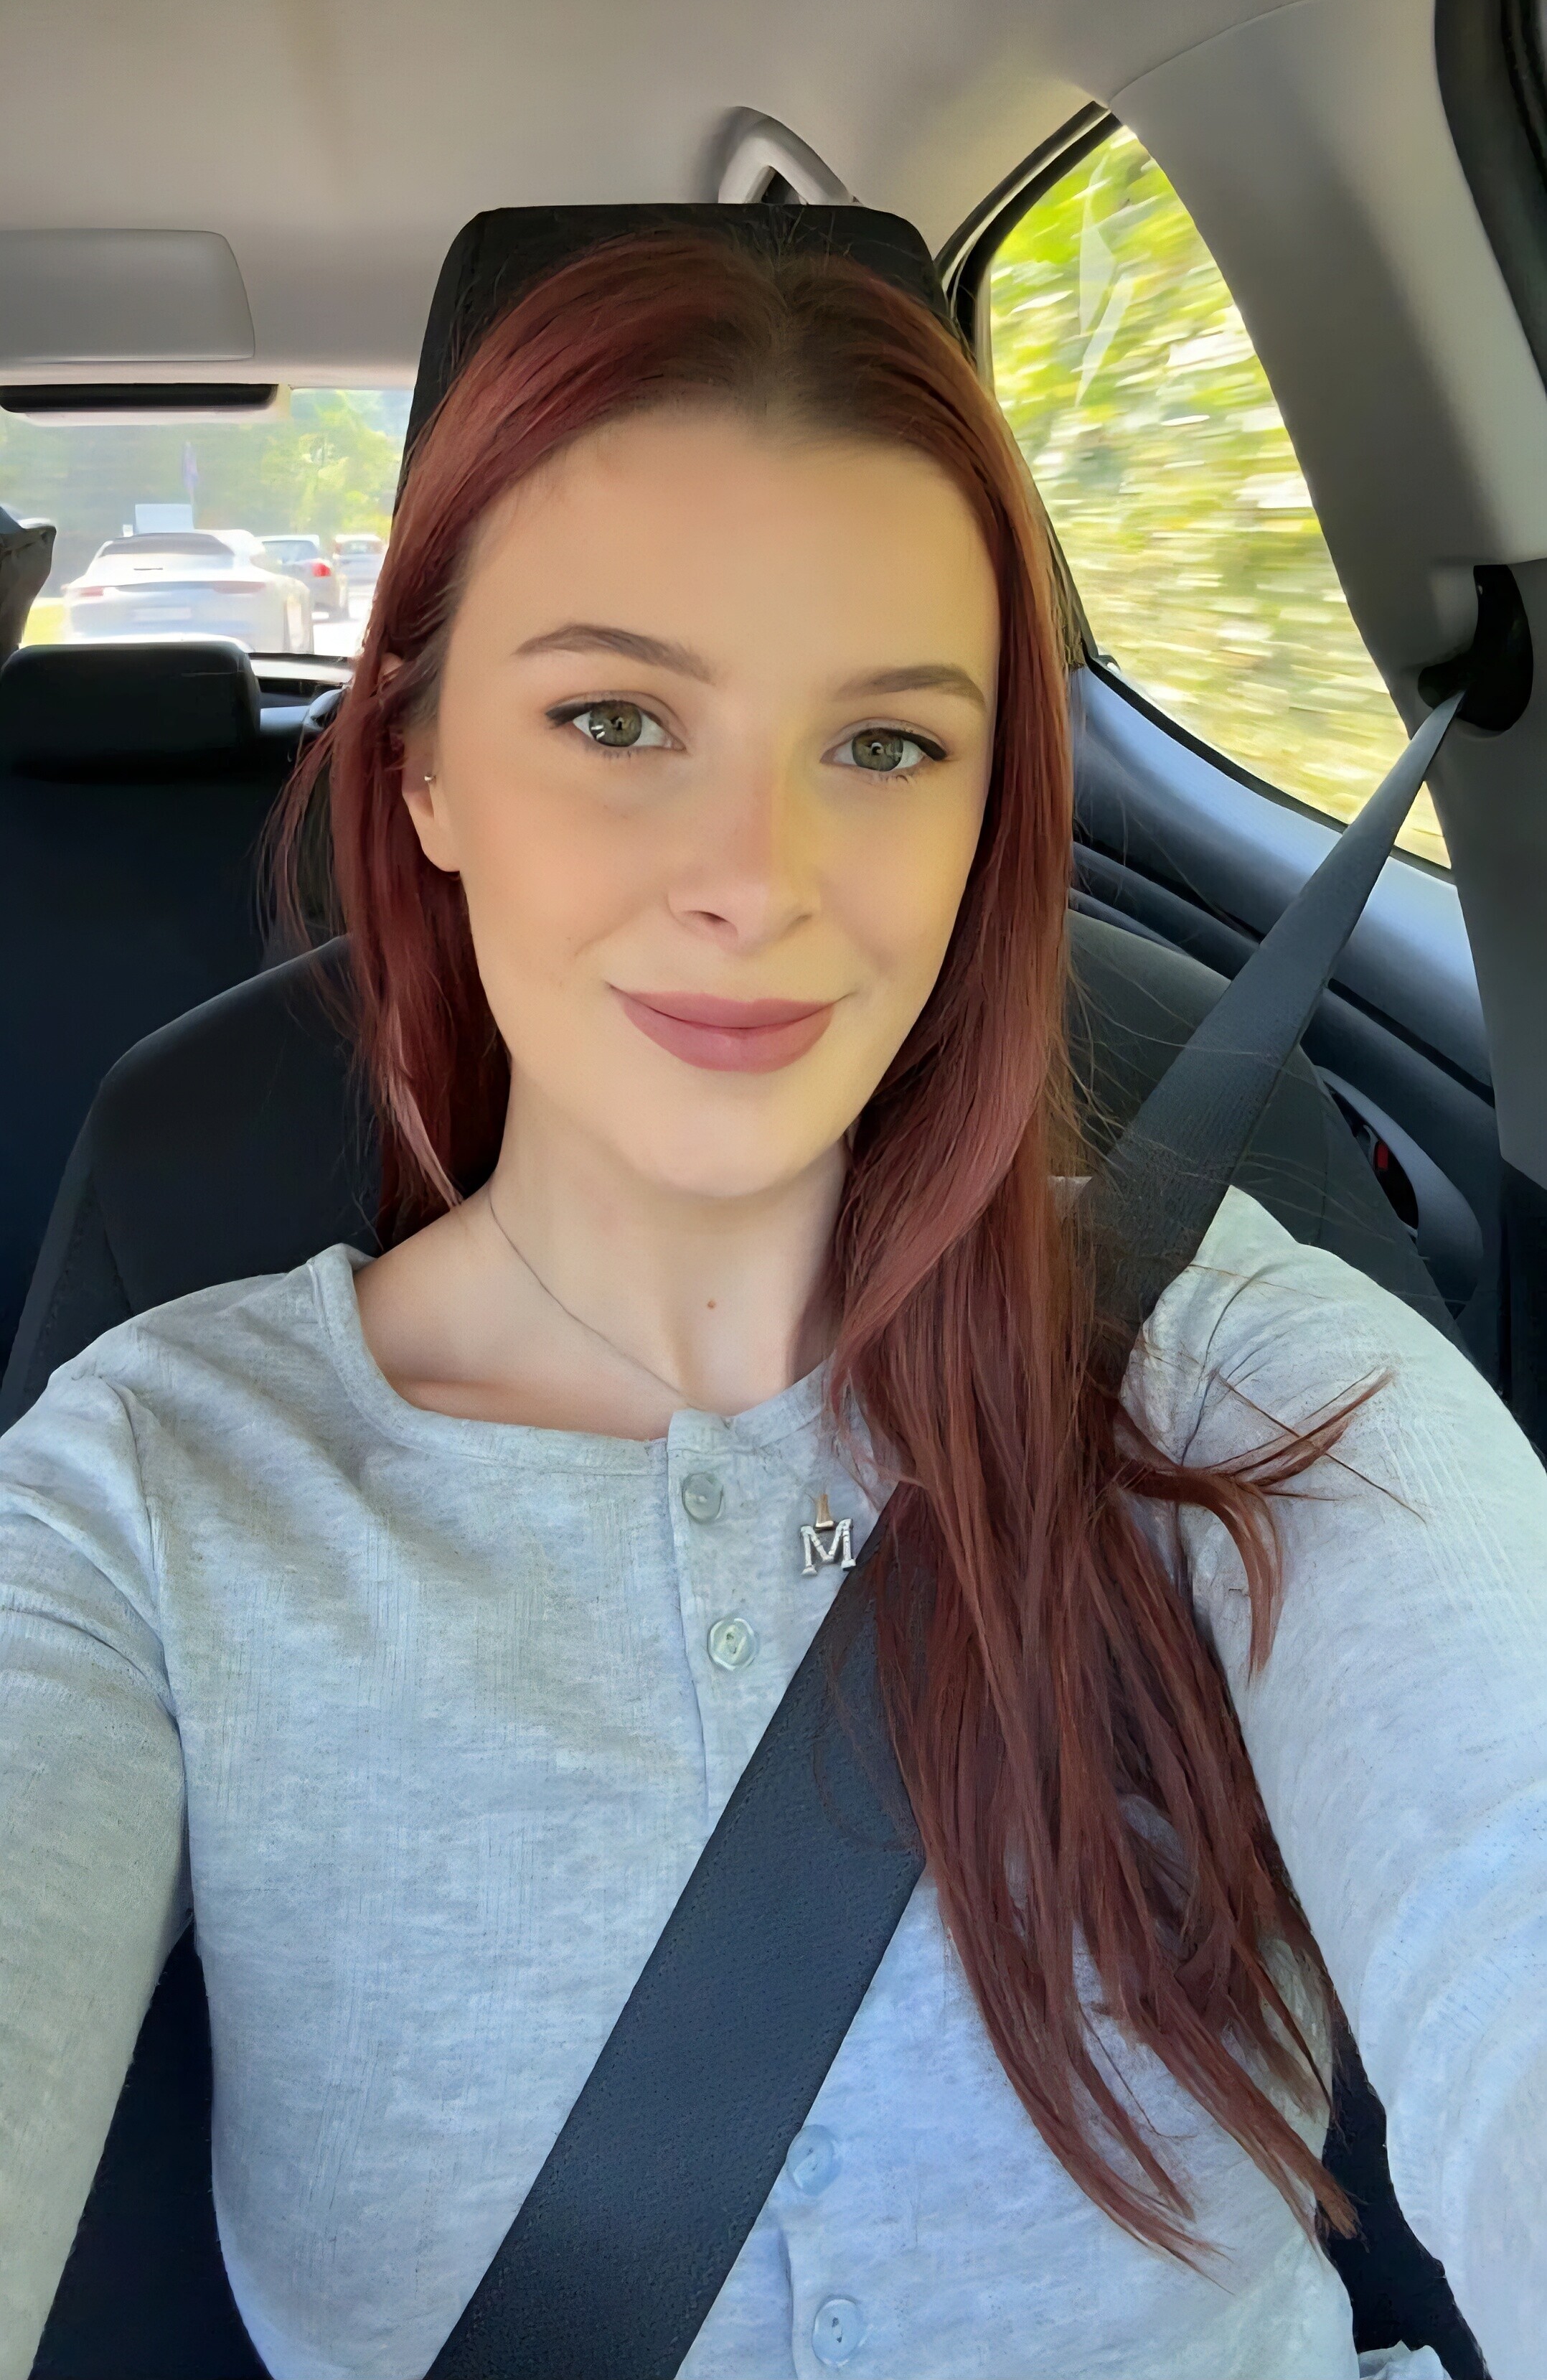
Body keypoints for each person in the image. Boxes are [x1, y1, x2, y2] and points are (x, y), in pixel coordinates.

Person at [0, 235, 1542, 2380]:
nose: (757, 876)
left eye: (886, 744)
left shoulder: (1221, 1370)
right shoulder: (151, 1485)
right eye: (616, 719)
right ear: (418, 764)